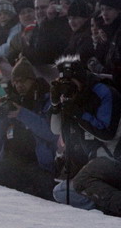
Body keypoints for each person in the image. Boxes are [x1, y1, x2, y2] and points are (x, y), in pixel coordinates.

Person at [49, 55, 121, 213]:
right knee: (61, 191)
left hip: (115, 158)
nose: (67, 88)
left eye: (70, 83)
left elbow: (107, 133)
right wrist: (55, 104)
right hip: (96, 163)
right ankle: (107, 208)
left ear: (80, 78)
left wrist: (79, 114)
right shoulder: (71, 99)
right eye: (63, 84)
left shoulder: (103, 92)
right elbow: (55, 130)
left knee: (82, 180)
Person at [0, 57, 59, 200]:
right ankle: (24, 191)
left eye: (23, 81)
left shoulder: (45, 100)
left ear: (32, 80)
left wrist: (22, 113)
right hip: (14, 162)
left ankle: (26, 190)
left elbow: (51, 133)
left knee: (46, 190)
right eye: (15, 82)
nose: (19, 85)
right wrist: (1, 114)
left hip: (38, 164)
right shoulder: (12, 99)